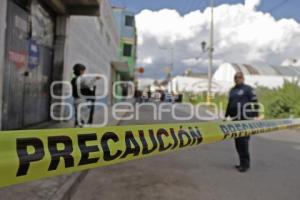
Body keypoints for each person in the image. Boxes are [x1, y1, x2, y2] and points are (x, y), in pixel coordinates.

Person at [225, 72, 260, 173]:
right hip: (235, 119)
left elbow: (255, 102)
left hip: (245, 119)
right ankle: (241, 162)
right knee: (237, 143)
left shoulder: (248, 89)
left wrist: (255, 115)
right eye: (236, 77)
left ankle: (245, 165)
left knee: (243, 142)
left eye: (239, 77)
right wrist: (226, 115)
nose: (237, 79)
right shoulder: (232, 90)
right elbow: (229, 103)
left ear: (243, 78)